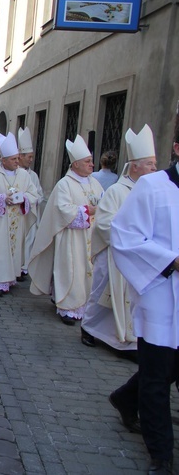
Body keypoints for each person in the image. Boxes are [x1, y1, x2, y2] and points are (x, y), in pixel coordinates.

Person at [108, 134, 179, 475]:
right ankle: (161, 455)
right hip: (160, 292)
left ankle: (124, 397)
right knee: (156, 376)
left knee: (170, 370)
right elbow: (124, 235)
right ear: (177, 147)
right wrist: (171, 261)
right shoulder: (153, 187)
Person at [81, 125, 157, 350]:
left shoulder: (149, 190)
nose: (155, 168)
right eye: (150, 164)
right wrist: (130, 236)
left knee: (130, 299)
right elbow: (104, 224)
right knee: (102, 294)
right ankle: (87, 327)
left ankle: (123, 336)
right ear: (135, 166)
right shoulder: (117, 191)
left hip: (137, 254)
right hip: (113, 253)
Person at [29, 135, 104, 325]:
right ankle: (68, 308)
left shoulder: (95, 183)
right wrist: (89, 211)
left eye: (91, 161)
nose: (92, 165)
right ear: (76, 164)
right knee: (71, 271)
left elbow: (105, 201)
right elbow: (62, 210)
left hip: (90, 235)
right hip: (71, 236)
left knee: (89, 271)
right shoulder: (65, 184)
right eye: (87, 162)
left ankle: (85, 306)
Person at [0, 132, 39, 296]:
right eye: (14, 159)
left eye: (18, 158)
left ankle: (9, 278)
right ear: (3, 161)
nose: (17, 162)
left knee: (12, 250)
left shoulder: (24, 175)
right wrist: (3, 199)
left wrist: (22, 198)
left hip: (16, 221)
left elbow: (34, 195)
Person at [17, 127, 45, 278]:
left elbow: (39, 193)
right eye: (29, 156)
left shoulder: (33, 175)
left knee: (28, 241)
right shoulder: (14, 173)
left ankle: (24, 267)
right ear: (20, 156)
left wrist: (30, 199)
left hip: (30, 213)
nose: (31, 159)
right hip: (16, 215)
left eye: (32, 157)